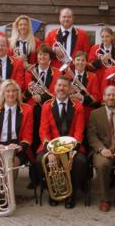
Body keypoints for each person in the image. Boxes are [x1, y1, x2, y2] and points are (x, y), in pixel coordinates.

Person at [34, 76, 86, 209]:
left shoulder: (78, 107)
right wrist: (51, 151)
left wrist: (71, 152)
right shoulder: (46, 106)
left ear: (70, 89)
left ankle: (71, 194)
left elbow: (79, 132)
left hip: (72, 147)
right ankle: (53, 191)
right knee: (40, 160)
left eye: (64, 86)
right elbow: (44, 131)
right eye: (59, 85)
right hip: (51, 146)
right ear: (54, 88)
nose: (61, 88)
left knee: (80, 161)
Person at [0, 79, 33, 186]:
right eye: (7, 91)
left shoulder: (27, 109)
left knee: (12, 163)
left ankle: (9, 193)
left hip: (17, 147)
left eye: (14, 91)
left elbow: (28, 137)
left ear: (18, 93)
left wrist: (17, 147)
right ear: (2, 93)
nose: (11, 94)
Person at [23, 45, 61, 156]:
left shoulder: (57, 73)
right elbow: (25, 94)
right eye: (40, 54)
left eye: (45, 54)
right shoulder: (29, 72)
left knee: (48, 134)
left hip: (50, 109)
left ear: (50, 58)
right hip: (33, 109)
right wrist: (30, 91)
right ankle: (34, 163)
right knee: (34, 135)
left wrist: (42, 98)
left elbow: (57, 93)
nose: (42, 56)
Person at [62, 51, 101, 123]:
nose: (80, 62)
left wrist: (82, 98)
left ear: (86, 62)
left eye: (83, 60)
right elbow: (61, 94)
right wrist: (69, 93)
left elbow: (96, 97)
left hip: (86, 113)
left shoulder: (93, 77)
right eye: (78, 60)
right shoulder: (67, 76)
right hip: (69, 112)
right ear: (73, 61)